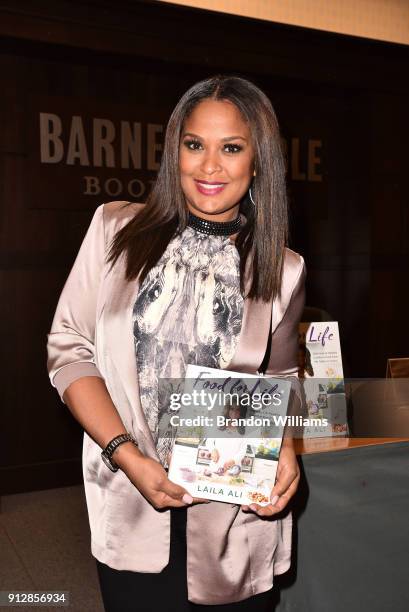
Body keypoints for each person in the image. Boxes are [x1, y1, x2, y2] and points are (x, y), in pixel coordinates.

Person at [46, 74, 306, 611]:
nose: (209, 167)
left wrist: (286, 448)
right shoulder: (114, 228)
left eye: (231, 148)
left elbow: (279, 380)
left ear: (258, 162)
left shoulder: (284, 268)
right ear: (174, 151)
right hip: (130, 496)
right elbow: (69, 349)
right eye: (195, 145)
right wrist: (125, 454)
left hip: (234, 513)